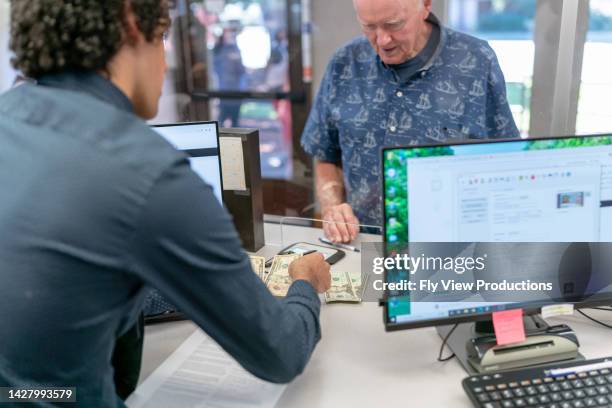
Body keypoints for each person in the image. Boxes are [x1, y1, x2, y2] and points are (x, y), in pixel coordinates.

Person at [0, 1, 331, 407]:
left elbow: (69, 284)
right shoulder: (144, 169)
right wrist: (305, 285)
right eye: (162, 36)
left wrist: (205, 285)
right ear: (129, 22)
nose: (165, 62)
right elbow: (280, 352)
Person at [301, 0, 520, 243]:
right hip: (362, 242)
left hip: (447, 249)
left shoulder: (477, 61)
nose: (382, 40)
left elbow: (506, 163)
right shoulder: (344, 63)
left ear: (426, 5)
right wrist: (333, 207)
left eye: (394, 25)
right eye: (369, 26)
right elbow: (325, 153)